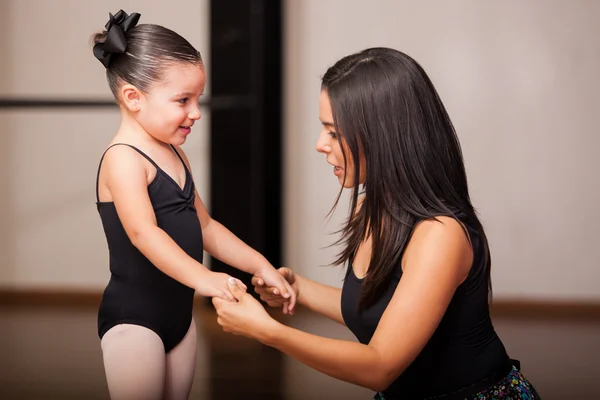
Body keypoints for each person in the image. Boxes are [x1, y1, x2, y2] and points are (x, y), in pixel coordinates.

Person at [213, 47, 541, 399]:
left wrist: (267, 331)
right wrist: (298, 288)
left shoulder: (439, 235)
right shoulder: (372, 207)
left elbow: (380, 366)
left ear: (384, 136)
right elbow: (377, 308)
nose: (319, 145)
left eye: (334, 133)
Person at [91, 10, 295, 400]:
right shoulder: (123, 158)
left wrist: (260, 265)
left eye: (197, 98)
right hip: (135, 321)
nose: (196, 112)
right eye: (183, 100)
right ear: (133, 97)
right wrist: (205, 279)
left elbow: (206, 228)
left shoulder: (174, 154)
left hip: (179, 319)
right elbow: (143, 234)